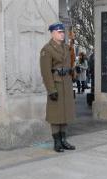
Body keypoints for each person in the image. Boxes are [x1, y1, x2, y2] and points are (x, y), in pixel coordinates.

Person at [40, 22, 76, 153]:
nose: (62, 34)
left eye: (62, 32)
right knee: (55, 114)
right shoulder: (47, 49)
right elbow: (45, 72)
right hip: (56, 84)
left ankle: (64, 140)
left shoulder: (66, 48)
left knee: (65, 113)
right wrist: (51, 90)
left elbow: (69, 65)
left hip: (66, 83)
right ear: (53, 33)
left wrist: (73, 74)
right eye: (59, 32)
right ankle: (57, 142)